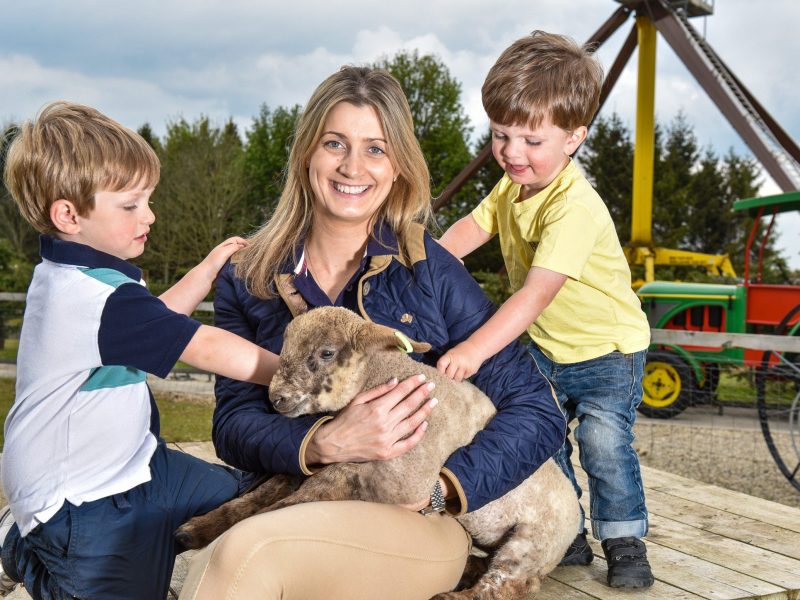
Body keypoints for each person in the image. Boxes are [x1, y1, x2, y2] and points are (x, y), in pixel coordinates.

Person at [178, 65, 566, 600]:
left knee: (247, 553)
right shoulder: (250, 277)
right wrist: (322, 443)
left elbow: (538, 412)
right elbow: (234, 423)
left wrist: (441, 488)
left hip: (414, 520)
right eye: (335, 143)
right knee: (241, 553)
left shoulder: (431, 270)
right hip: (291, 494)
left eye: (376, 149)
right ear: (307, 154)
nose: (352, 167)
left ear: (398, 166)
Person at [0, 101, 282, 600]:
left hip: (138, 466)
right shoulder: (94, 299)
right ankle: (33, 552)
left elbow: (161, 322)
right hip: (80, 504)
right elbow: (209, 347)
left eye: (148, 200)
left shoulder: (84, 278)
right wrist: (300, 378)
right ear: (68, 214)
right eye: (130, 205)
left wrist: (209, 268)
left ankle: (34, 545)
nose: (148, 215)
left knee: (244, 495)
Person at [436, 31, 654, 589]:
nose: (512, 152)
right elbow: (469, 229)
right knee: (542, 440)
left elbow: (533, 296)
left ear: (574, 138)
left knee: (604, 445)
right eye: (501, 135)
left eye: (531, 140)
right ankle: (569, 528)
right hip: (551, 350)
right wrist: (421, 261)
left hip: (608, 350)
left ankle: (624, 539)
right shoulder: (512, 187)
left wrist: (473, 349)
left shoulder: (574, 207)